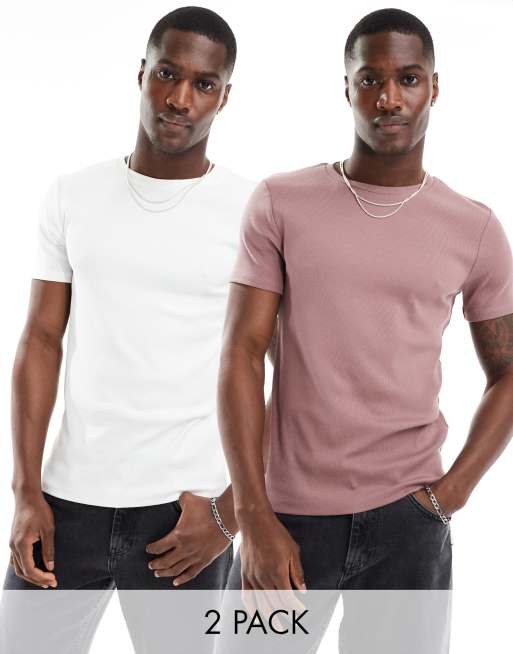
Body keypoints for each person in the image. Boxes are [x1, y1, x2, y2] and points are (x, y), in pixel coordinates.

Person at [216, 8, 513, 653]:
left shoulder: (475, 228)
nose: (389, 98)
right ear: (346, 87)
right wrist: (252, 515)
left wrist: (450, 495)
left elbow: (508, 375)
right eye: (370, 79)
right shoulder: (280, 202)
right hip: (285, 521)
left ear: (434, 87)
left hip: (410, 524)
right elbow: (241, 352)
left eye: (408, 78)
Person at [1, 6, 256, 653]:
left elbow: (299, 376)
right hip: (65, 505)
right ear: (142, 73)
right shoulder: (72, 195)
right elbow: (40, 340)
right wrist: (26, 491)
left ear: (224, 97)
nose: (179, 98)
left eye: (203, 83)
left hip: (185, 517)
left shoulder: (252, 214)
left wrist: (228, 515)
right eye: (168, 73)